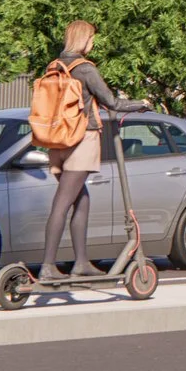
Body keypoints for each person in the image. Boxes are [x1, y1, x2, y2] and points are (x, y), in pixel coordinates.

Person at [34, 19, 147, 282]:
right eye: (91, 39)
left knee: (81, 200)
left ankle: (82, 262)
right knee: (62, 204)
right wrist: (140, 104)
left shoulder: (55, 66)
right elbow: (111, 102)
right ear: (83, 40)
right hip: (81, 140)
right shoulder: (85, 69)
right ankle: (48, 266)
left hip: (57, 141)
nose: (93, 43)